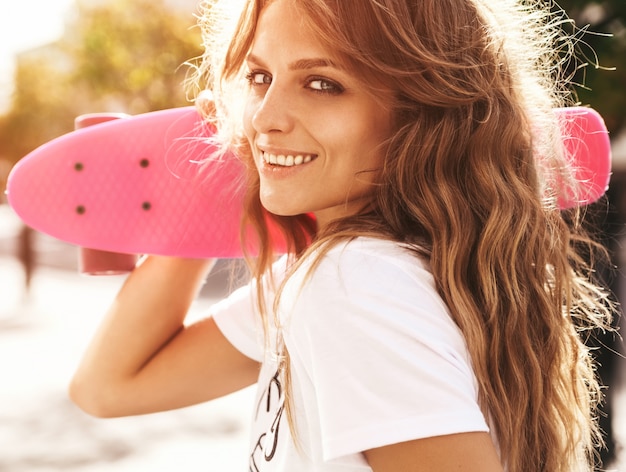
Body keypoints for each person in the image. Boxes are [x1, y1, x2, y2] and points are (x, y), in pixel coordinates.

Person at [68, 0, 615, 471]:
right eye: (259, 77)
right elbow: (109, 386)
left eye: (322, 84)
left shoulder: (352, 284)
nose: (264, 118)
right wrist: (206, 197)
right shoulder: (383, 270)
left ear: (420, 117)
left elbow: (107, 388)